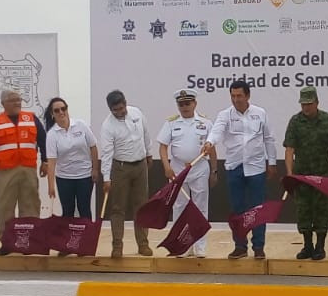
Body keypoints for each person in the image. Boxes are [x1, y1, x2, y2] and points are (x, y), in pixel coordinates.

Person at [203, 80, 277, 259]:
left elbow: (268, 138)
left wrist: (272, 162)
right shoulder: (225, 115)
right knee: (238, 209)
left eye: (239, 96)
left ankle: (258, 247)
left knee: (257, 209)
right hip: (234, 167)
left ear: (248, 95)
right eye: (233, 96)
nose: (236, 100)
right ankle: (240, 246)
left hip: (256, 167)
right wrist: (209, 142)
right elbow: (217, 131)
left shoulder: (260, 113)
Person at [0, 90, 48, 255]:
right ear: (3, 103)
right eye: (12, 100)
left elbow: (43, 140)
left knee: (30, 205)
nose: (17, 103)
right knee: (3, 206)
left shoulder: (31, 119)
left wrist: (45, 161)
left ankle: (28, 242)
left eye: (19, 99)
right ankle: (7, 243)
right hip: (5, 170)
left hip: (28, 168)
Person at [283, 86, 328, 261]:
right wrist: (290, 174)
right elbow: (289, 149)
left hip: (323, 174)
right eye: (303, 104)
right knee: (303, 210)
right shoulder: (295, 121)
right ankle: (307, 245)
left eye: (309, 104)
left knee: (321, 210)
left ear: (317, 102)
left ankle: (320, 247)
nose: (306, 107)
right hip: (302, 175)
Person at [158, 89, 215, 258]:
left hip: (199, 169)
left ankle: (200, 246)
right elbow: (162, 147)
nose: (184, 107)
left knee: (200, 208)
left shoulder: (205, 122)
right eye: (181, 104)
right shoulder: (171, 123)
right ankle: (182, 245)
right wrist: (166, 167)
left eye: (187, 103)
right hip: (177, 171)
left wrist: (214, 170)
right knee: (179, 207)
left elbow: (212, 148)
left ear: (194, 104)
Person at [99, 90, 151, 259]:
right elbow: (107, 153)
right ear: (110, 109)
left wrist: (149, 153)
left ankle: (143, 244)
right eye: (116, 110)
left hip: (140, 165)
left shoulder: (136, 113)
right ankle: (117, 246)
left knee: (141, 206)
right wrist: (106, 178)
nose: (120, 112)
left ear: (125, 103)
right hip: (120, 167)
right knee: (117, 208)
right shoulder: (107, 126)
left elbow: (145, 134)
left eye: (122, 108)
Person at [44, 96, 99, 222]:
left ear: (67, 109)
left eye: (63, 108)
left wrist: (95, 169)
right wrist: (51, 185)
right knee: (68, 211)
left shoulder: (81, 125)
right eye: (57, 110)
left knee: (84, 209)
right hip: (64, 178)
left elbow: (93, 147)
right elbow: (51, 162)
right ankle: (68, 235)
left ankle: (86, 234)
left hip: (85, 176)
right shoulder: (52, 135)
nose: (61, 112)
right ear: (52, 114)